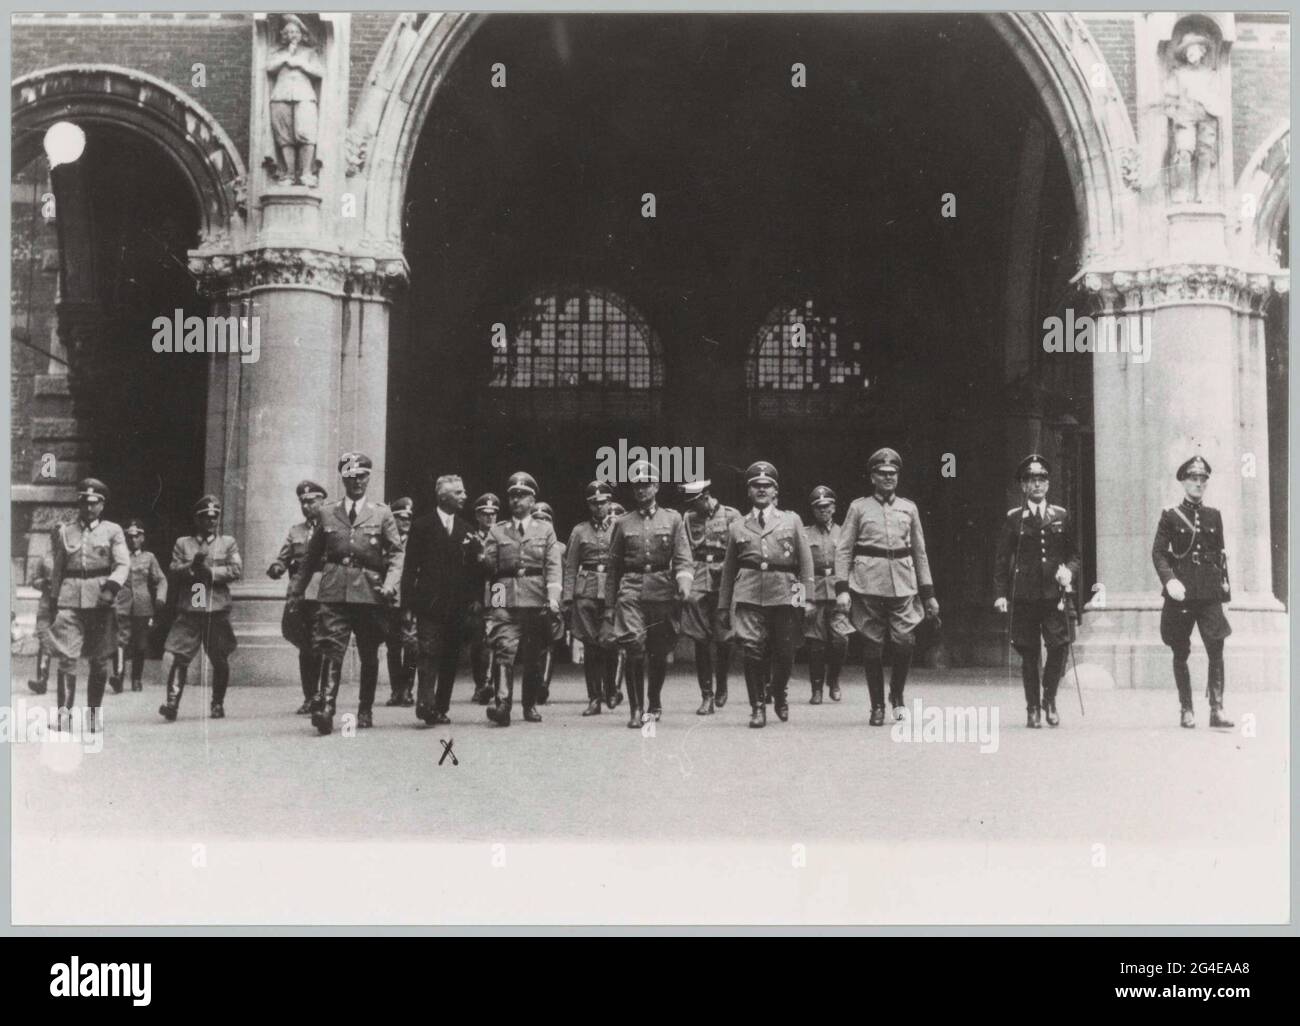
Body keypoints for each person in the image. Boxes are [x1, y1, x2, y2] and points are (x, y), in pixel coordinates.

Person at [290, 452, 404, 734]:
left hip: (369, 591)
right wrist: (296, 591)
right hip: (334, 590)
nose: (357, 482)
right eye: (351, 477)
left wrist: (390, 584)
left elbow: (396, 554)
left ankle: (365, 709)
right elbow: (310, 558)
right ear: (343, 479)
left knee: (368, 652)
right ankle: (327, 707)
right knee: (331, 647)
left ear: (369, 478)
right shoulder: (327, 512)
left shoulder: (382, 513)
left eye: (362, 476)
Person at [834, 448, 940, 726]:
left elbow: (920, 552)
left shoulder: (909, 508)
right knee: (872, 646)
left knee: (905, 642)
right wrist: (842, 589)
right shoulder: (859, 507)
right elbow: (843, 550)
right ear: (872, 477)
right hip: (867, 585)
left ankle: (897, 694)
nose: (888, 477)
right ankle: (877, 706)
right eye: (882, 473)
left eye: (893, 473)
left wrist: (928, 594)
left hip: (904, 586)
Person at [718, 462, 815, 727]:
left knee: (785, 651)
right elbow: (729, 570)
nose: (761, 489)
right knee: (752, 650)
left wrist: (807, 599)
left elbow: (805, 563)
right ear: (748, 491)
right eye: (756, 486)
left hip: (786, 591)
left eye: (767, 485)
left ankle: (779, 692)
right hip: (749, 593)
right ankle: (757, 707)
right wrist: (724, 606)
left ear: (775, 491)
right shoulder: (738, 526)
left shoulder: (791, 520)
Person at [993, 455, 1081, 728]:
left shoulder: (1061, 516)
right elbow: (1001, 559)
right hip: (1024, 595)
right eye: (1031, 480)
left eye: (1042, 479)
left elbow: (1074, 554)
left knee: (1059, 646)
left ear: (1048, 483)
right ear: (1023, 486)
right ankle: (1032, 707)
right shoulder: (1014, 518)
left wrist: (1069, 570)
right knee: (1029, 652)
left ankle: (1049, 700)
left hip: (1054, 595)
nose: (1037, 484)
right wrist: (1000, 593)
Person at [606, 460, 695, 726]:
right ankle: (636, 710)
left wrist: (684, 584)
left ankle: (653, 700)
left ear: (655, 487)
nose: (641, 491)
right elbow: (614, 568)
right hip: (631, 589)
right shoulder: (622, 523)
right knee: (634, 645)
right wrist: (610, 605)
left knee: (658, 651)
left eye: (646, 485)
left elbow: (682, 556)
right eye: (637, 486)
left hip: (662, 590)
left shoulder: (673, 519)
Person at [1152, 455, 1233, 728]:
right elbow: (1159, 553)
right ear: (1183, 482)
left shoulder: (1214, 515)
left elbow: (1220, 556)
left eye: (1202, 479)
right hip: (1182, 592)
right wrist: (1169, 580)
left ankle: (1217, 709)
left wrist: (1225, 593)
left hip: (1209, 593)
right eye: (1193, 479)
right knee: (1180, 649)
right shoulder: (1170, 516)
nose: (1198, 484)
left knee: (1217, 646)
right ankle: (1186, 708)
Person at [478, 473, 562, 726]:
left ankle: (529, 705)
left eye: (522, 495)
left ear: (532, 499)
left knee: (533, 657)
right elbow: (491, 571)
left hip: (536, 600)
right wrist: (481, 558)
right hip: (504, 595)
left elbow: (553, 566)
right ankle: (503, 704)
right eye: (512, 495)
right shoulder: (497, 530)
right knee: (504, 648)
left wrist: (553, 597)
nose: (516, 500)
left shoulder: (545, 530)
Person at [46, 478, 129, 732]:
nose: (88, 508)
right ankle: (64, 716)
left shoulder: (113, 531)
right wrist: (53, 599)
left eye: (94, 503)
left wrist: (110, 589)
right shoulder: (66, 531)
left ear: (102, 505)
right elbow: (59, 568)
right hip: (70, 599)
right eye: (84, 502)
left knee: (99, 660)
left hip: (100, 600)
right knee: (67, 658)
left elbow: (123, 563)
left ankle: (93, 716)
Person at [400, 475, 477, 725]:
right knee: (428, 652)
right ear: (443, 497)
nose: (464, 496)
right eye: (459, 493)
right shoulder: (422, 526)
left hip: (457, 606)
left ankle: (441, 707)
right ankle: (425, 703)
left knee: (450, 656)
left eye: (463, 492)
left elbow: (474, 570)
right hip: (429, 604)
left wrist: (474, 599)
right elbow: (410, 568)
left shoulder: (467, 529)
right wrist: (407, 606)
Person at [160, 495, 243, 721]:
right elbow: (174, 570)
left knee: (219, 658)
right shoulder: (183, 543)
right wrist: (192, 566)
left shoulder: (228, 542)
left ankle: (217, 704)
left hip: (216, 608)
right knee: (180, 656)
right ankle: (172, 703)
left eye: (214, 517)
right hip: (191, 608)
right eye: (206, 518)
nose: (211, 522)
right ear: (197, 520)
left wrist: (212, 573)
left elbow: (236, 570)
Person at [681, 479, 742, 715]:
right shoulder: (688, 518)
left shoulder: (731, 516)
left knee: (724, 637)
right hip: (698, 577)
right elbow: (684, 549)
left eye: (696, 502)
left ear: (706, 496)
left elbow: (740, 548)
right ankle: (706, 694)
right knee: (700, 638)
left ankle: (722, 683)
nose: (693, 508)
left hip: (723, 577)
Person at [268, 480, 327, 714]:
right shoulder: (296, 531)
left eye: (312, 501)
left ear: (323, 501)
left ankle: (323, 696)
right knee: (304, 646)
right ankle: (309, 696)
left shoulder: (331, 528)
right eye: (303, 501)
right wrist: (276, 567)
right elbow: (282, 558)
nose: (307, 505)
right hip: (300, 596)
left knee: (321, 646)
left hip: (323, 594)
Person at [563, 481, 621, 716]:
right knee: (591, 647)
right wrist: (567, 598)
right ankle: (594, 698)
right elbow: (570, 566)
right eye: (594, 503)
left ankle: (611, 689)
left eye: (603, 502)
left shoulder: (619, 527)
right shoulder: (579, 531)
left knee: (611, 643)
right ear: (589, 506)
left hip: (612, 590)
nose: (599, 507)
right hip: (585, 592)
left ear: (610, 503)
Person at [110, 519, 168, 693]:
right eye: (130, 536)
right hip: (122, 604)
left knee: (140, 645)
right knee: (120, 641)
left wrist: (160, 597)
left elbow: (161, 579)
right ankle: (118, 677)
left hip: (143, 606)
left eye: (137, 536)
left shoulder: (149, 557)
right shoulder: (119, 556)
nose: (133, 539)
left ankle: (136, 679)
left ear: (142, 538)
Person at [803, 486, 848, 704]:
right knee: (816, 644)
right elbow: (796, 569)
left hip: (838, 592)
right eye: (818, 507)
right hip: (815, 593)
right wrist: (801, 599)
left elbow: (851, 565)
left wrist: (848, 593)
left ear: (834, 508)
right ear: (813, 510)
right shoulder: (804, 533)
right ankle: (817, 688)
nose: (823, 511)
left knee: (841, 640)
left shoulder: (845, 533)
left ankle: (834, 679)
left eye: (827, 506)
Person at [529, 502, 565, 705]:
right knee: (533, 645)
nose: (541, 523)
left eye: (545, 520)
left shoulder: (560, 548)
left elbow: (565, 574)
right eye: (537, 519)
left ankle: (543, 685)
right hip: (530, 599)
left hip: (552, 601)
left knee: (550, 643)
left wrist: (562, 602)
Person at [384, 496, 418, 708]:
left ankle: (407, 689)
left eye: (408, 518)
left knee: (412, 646)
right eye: (400, 518)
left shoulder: (416, 541)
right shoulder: (385, 540)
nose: (405, 522)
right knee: (392, 647)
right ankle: (396, 689)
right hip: (388, 600)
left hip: (410, 601)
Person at [467, 493, 500, 705]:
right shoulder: (470, 538)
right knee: (478, 642)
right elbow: (466, 571)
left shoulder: (502, 535)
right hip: (478, 593)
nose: (489, 518)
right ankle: (481, 684)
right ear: (477, 516)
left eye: (493, 514)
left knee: (497, 638)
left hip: (498, 591)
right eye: (484, 514)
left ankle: (492, 684)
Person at [26, 555, 54, 695]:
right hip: (46, 605)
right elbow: (33, 580)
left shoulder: (71, 556)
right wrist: (45, 582)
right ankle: (42, 680)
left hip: (64, 604)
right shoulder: (44, 559)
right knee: (44, 640)